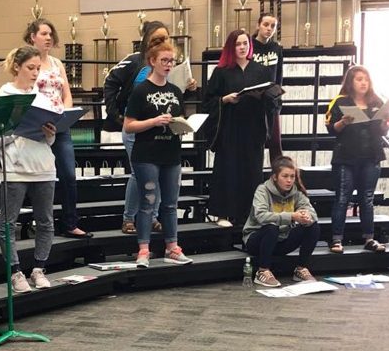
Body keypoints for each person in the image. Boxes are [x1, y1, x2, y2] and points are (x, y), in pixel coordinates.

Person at [0, 46, 55, 292]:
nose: (35, 73)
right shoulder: (3, 96)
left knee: (46, 221)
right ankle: (15, 272)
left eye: (38, 68)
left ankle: (39, 268)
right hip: (16, 169)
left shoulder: (43, 97)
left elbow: (50, 139)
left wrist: (50, 134)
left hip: (44, 166)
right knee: (8, 223)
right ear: (17, 67)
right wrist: (14, 127)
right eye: (30, 67)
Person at [123, 40, 193, 267]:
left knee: (171, 203)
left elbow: (179, 119)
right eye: (164, 60)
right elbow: (129, 125)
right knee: (148, 201)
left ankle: (172, 247)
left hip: (170, 153)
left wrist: (182, 126)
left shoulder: (175, 91)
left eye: (172, 61)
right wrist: (153, 121)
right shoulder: (141, 90)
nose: (168, 64)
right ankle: (143, 250)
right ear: (152, 61)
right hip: (147, 154)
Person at [23, 18, 89, 238]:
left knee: (69, 174)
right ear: (33, 36)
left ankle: (70, 222)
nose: (49, 37)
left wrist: (66, 113)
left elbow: (66, 92)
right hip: (37, 125)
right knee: (41, 176)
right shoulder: (27, 62)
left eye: (50, 33)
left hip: (59, 123)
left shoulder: (56, 63)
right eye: (43, 33)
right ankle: (39, 223)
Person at [205, 29, 277, 227]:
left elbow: (271, 100)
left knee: (252, 170)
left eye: (245, 43)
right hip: (230, 127)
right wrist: (225, 100)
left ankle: (250, 213)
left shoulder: (261, 70)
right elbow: (208, 100)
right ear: (231, 47)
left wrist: (268, 96)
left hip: (253, 128)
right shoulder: (221, 72)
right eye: (238, 44)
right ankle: (223, 213)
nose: (243, 47)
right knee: (227, 169)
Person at [105, 21, 170, 235]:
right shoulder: (134, 61)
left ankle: (151, 218)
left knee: (158, 173)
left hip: (158, 129)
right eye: (157, 39)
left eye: (165, 38)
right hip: (134, 127)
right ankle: (129, 219)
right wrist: (115, 114)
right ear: (147, 40)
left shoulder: (167, 64)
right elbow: (111, 82)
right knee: (138, 173)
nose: (162, 43)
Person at [324, 65, 389, 254]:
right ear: (350, 82)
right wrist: (343, 121)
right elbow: (331, 128)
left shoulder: (376, 101)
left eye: (366, 79)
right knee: (342, 198)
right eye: (359, 79)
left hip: (371, 155)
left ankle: (369, 238)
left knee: (367, 198)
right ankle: (336, 240)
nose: (363, 83)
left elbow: (381, 130)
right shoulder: (340, 101)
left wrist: (386, 123)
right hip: (346, 157)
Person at [242, 156, 319, 288]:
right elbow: (261, 216)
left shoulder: (296, 193)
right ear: (275, 177)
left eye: (292, 176)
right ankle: (263, 271)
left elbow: (312, 213)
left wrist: (306, 216)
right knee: (272, 227)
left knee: (313, 226)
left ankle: (301, 269)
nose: (289, 181)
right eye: (285, 176)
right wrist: (292, 216)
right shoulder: (262, 190)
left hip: (282, 240)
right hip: (257, 241)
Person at [251, 13, 284, 162]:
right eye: (266, 25)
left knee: (275, 143)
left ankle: (278, 179)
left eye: (273, 26)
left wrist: (278, 99)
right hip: (254, 101)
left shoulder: (276, 48)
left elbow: (279, 75)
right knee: (255, 143)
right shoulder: (249, 46)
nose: (269, 29)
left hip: (272, 102)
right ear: (258, 25)